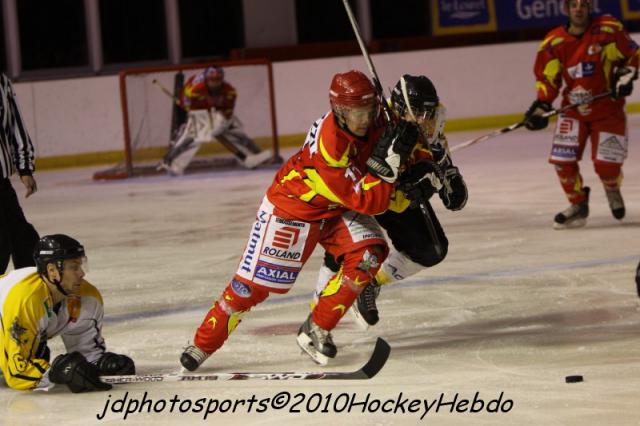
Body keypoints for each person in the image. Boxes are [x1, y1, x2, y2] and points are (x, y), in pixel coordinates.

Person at [180, 70, 419, 370]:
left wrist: (408, 139)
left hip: (334, 208)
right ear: (339, 111)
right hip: (293, 209)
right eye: (356, 113)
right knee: (250, 289)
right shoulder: (330, 148)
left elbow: (395, 136)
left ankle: (316, 328)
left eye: (369, 111)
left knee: (369, 255)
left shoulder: (378, 119)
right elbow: (369, 201)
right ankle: (202, 344)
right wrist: (389, 165)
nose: (364, 119)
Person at [312, 75, 469, 327]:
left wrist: (446, 173)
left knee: (432, 249)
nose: (426, 120)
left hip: (395, 192)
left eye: (429, 112)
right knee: (349, 248)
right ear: (399, 107)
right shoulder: (371, 119)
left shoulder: (431, 121)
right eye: (418, 112)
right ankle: (319, 312)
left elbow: (436, 150)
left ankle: (370, 283)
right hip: (358, 189)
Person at [524, 0, 638, 229]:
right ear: (566, 9)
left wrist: (626, 76)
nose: (578, 9)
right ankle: (578, 204)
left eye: (583, 4)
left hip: (608, 109)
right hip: (573, 112)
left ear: (589, 8)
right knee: (562, 161)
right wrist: (541, 106)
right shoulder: (554, 42)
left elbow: (633, 55)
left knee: (607, 166)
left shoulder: (608, 29)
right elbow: (548, 79)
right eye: (573, 4)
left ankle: (612, 188)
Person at [0, 234, 135, 392]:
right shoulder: (25, 299)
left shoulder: (88, 297)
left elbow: (87, 353)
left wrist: (100, 366)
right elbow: (18, 373)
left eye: (81, 265)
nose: (82, 274)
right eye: (74, 267)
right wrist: (58, 373)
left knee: (41, 354)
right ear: (52, 271)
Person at [158, 66, 271, 176]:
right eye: (212, 80)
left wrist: (219, 126)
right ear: (206, 80)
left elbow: (227, 113)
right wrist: (195, 113)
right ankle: (174, 164)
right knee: (196, 136)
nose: (215, 83)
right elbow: (186, 100)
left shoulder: (230, 92)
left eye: (218, 80)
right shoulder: (195, 89)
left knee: (235, 131)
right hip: (199, 111)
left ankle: (248, 157)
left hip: (218, 112)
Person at [0, 72, 40, 274]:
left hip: (0, 182)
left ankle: (28, 288)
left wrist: (24, 167)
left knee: (22, 238)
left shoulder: (1, 81)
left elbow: (15, 125)